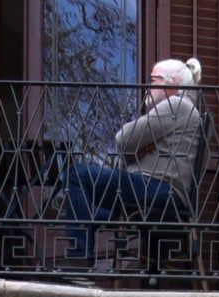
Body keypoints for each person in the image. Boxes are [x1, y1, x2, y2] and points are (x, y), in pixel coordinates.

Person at [61, 59, 205, 267]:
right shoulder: (181, 110)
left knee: (77, 174)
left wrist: (140, 148)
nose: (147, 87)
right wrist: (140, 148)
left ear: (172, 84)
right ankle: (82, 260)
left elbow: (123, 139)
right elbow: (129, 150)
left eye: (153, 80)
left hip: (161, 191)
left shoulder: (176, 105)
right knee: (86, 210)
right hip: (158, 192)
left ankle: (79, 259)